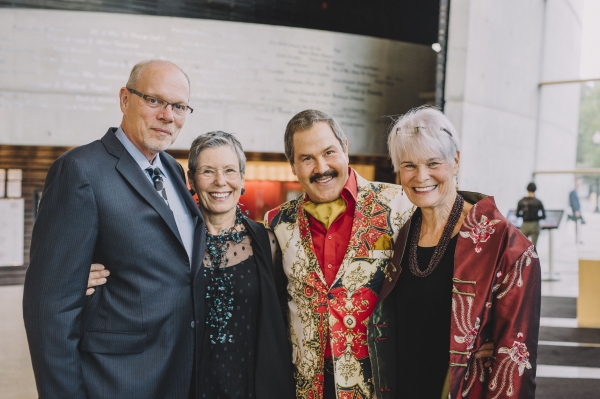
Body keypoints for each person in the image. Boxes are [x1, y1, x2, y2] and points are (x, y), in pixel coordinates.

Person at [263, 110, 493, 399]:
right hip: (305, 388)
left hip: (384, 384)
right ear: (293, 166)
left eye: (329, 152)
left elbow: (454, 263)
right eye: (307, 158)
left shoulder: (403, 205)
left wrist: (487, 327)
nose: (321, 167)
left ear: (345, 149)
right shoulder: (276, 223)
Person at [23, 60, 206, 398]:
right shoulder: (79, 172)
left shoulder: (174, 171)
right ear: (125, 99)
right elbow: (49, 308)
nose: (168, 115)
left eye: (179, 106)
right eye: (154, 100)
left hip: (179, 375)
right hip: (114, 381)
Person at [87, 131, 296, 398]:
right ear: (192, 181)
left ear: (242, 178)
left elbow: (285, 314)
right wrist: (81, 276)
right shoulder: (171, 241)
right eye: (208, 171)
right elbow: (130, 275)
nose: (220, 182)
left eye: (230, 170)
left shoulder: (268, 243)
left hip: (250, 385)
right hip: (184, 383)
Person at [376, 106, 541, 398]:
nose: (421, 176)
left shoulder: (506, 245)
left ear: (456, 160)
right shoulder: (401, 235)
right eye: (409, 165)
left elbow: (515, 364)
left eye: (433, 162)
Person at [516, 182, 546, 246]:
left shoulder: (521, 201)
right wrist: (536, 217)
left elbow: (517, 214)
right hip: (535, 225)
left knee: (523, 246)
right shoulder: (538, 202)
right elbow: (543, 216)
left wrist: (524, 215)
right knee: (533, 246)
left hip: (525, 224)